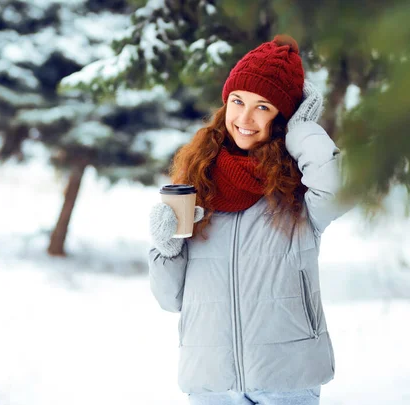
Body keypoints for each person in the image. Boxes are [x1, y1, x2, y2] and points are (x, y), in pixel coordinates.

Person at [148, 34, 350, 405]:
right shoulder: (197, 185)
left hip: (287, 379)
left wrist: (302, 129)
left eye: (263, 106)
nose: (243, 118)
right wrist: (166, 248)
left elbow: (339, 187)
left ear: (283, 117)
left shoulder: (298, 194)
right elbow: (170, 298)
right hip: (211, 383)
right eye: (237, 101)